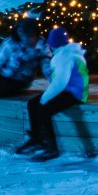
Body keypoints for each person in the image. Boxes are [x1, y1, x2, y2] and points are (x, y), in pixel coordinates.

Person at [16, 27, 89, 161]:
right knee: (32, 104)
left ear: (51, 44)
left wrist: (45, 98)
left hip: (74, 93)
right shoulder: (66, 53)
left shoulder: (64, 57)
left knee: (44, 110)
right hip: (68, 90)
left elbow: (60, 83)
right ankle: (37, 139)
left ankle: (51, 148)